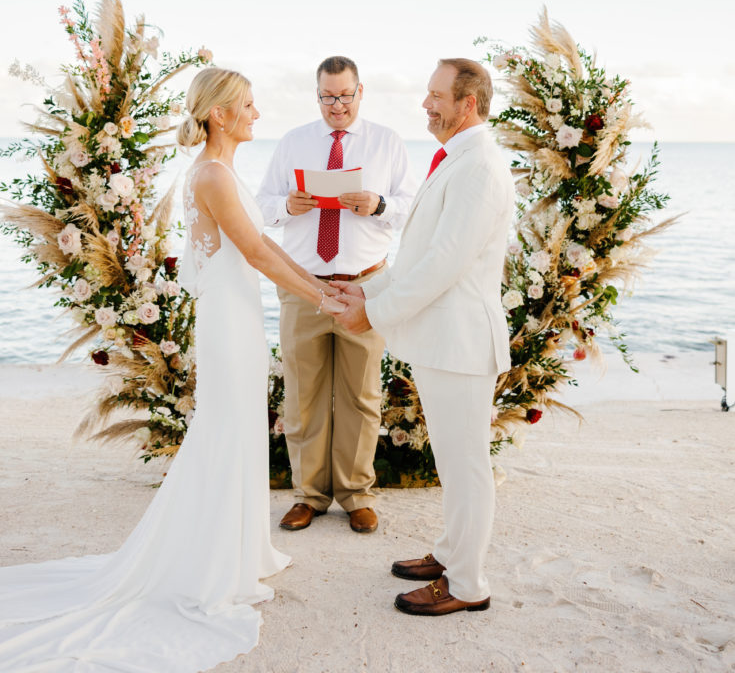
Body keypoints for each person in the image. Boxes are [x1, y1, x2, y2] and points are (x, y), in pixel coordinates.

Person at [0, 68, 345, 673]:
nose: (256, 112)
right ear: (218, 115)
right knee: (224, 429)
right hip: (229, 322)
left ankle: (239, 549)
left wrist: (318, 286)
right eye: (246, 104)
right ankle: (211, 564)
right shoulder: (212, 175)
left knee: (237, 428)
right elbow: (259, 252)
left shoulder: (222, 172)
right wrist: (324, 296)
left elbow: (263, 247)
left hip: (237, 315)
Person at [336, 58, 514, 616]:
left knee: (466, 465)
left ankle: (467, 584)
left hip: (461, 343)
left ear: (469, 103)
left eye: (437, 95)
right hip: (444, 340)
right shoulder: (455, 159)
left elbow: (444, 265)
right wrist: (370, 291)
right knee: (453, 462)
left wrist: (376, 313)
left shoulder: (479, 167)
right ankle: (449, 552)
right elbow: (418, 255)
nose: (425, 104)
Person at [257, 55, 416, 534]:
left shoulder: (387, 143)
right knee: (302, 396)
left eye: (345, 95)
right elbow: (261, 205)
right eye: (327, 96)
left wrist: (378, 203)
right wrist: (287, 204)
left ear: (360, 92)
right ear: (317, 95)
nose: (337, 105)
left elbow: (412, 207)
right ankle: (308, 496)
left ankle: (356, 495)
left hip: (365, 286)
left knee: (361, 396)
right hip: (304, 285)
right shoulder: (293, 142)